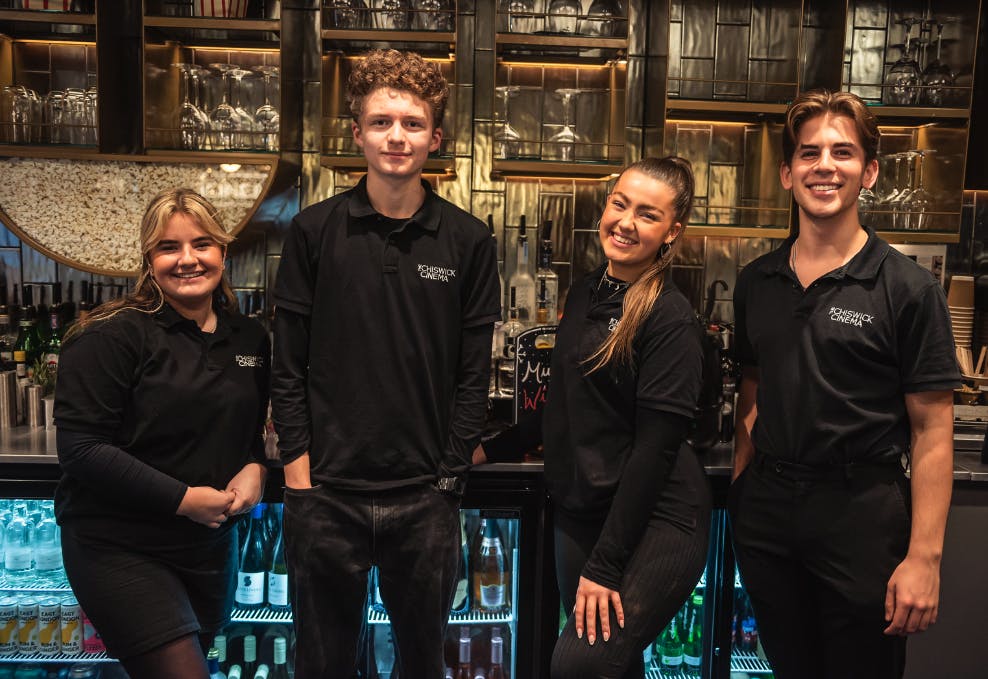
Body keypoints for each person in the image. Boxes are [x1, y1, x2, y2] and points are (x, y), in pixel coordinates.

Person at [271, 49, 501, 678]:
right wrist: (299, 477)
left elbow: (472, 375)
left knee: (423, 667)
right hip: (327, 498)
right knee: (322, 666)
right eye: (380, 122)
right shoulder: (314, 233)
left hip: (424, 499)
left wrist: (449, 478)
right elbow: (286, 365)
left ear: (436, 136)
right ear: (356, 134)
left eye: (412, 122)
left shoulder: (469, 240)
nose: (396, 136)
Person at [730, 89, 960, 679]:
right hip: (770, 518)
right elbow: (751, 392)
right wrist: (743, 490)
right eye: (808, 154)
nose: (824, 166)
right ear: (787, 173)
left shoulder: (908, 289)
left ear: (870, 171)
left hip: (862, 517)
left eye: (842, 152)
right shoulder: (757, 281)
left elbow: (933, 431)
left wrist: (924, 558)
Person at [478, 156, 712, 679]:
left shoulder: (669, 317)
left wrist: (605, 566)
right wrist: (490, 448)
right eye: (620, 204)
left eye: (647, 215)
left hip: (656, 515)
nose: (626, 223)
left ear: (672, 231)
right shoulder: (585, 291)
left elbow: (656, 451)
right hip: (584, 507)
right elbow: (564, 401)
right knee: (613, 667)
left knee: (578, 666)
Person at [53, 188, 271, 679]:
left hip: (209, 547)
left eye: (202, 244)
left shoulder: (250, 338)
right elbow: (81, 450)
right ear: (148, 260)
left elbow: (248, 434)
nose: (188, 259)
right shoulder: (110, 334)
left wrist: (256, 469)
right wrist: (183, 499)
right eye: (169, 247)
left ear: (223, 252)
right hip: (119, 544)